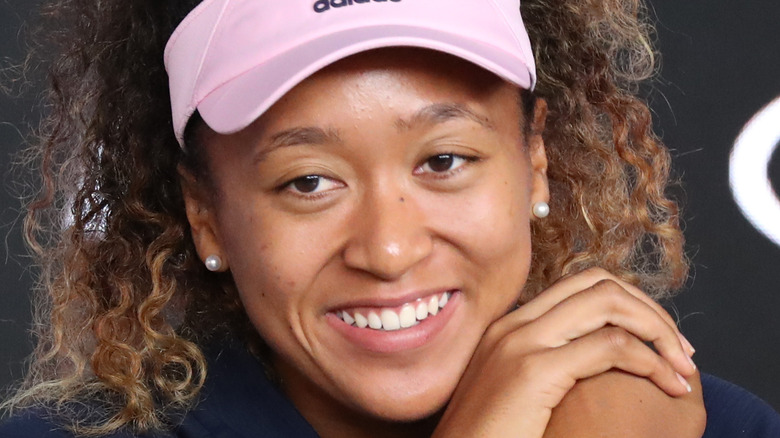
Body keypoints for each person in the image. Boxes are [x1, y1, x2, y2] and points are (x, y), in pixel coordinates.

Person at [0, 0, 778, 437]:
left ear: (533, 159)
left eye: (443, 162)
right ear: (206, 215)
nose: (391, 248)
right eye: (309, 181)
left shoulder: (706, 427)